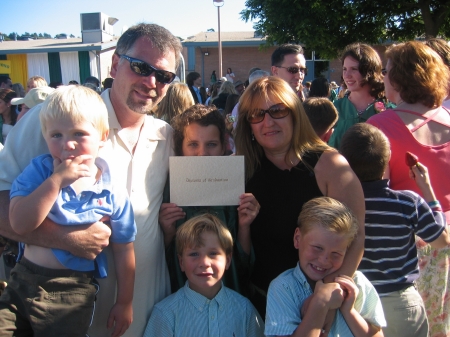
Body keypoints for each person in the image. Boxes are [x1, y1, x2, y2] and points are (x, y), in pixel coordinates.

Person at [0, 23, 183, 337]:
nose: (151, 81)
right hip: (63, 313)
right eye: (140, 67)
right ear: (115, 64)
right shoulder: (54, 119)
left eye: (164, 75)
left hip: (149, 311)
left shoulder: (166, 135)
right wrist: (64, 238)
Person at [0, 85, 136, 337]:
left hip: (69, 293)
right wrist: (55, 181)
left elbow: (124, 249)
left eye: (79, 133)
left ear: (102, 136)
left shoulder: (111, 190)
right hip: (22, 279)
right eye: (56, 135)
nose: (68, 144)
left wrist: (125, 301)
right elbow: (19, 223)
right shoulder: (39, 172)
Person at [234, 76, 365, 317]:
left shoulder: (330, 166)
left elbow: (356, 239)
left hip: (318, 304)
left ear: (295, 113)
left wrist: (325, 301)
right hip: (257, 305)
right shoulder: (239, 170)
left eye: (277, 110)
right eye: (256, 115)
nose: (268, 121)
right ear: (248, 124)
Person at [367, 41, 450, 337]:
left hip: (400, 252)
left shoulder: (378, 127)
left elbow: (371, 197)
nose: (382, 78)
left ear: (399, 78)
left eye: (386, 71)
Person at [340, 123, 450, 337]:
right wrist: (428, 191)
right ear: (387, 160)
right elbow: (441, 239)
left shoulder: (340, 205)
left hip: (356, 303)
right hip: (401, 303)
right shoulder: (408, 202)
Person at [159, 104, 259, 294]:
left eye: (211, 144)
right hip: (183, 290)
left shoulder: (234, 182)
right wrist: (167, 232)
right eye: (193, 144)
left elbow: (243, 258)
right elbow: (166, 259)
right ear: (181, 147)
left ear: (223, 146)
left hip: (228, 287)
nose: (202, 153)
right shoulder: (171, 186)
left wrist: (245, 224)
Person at [265, 197, 386, 337]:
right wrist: (321, 302)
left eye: (336, 253)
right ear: (297, 238)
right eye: (317, 248)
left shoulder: (357, 283)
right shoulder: (283, 288)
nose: (324, 260)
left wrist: (349, 311)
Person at [144, 213, 265, 337]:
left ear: (228, 261)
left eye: (213, 253)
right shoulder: (165, 314)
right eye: (194, 254)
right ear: (181, 262)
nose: (204, 263)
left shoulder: (244, 310)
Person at [328, 43, 387, 149]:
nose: (346, 75)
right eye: (345, 69)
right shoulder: (335, 109)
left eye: (354, 69)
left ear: (369, 71)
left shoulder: (387, 110)